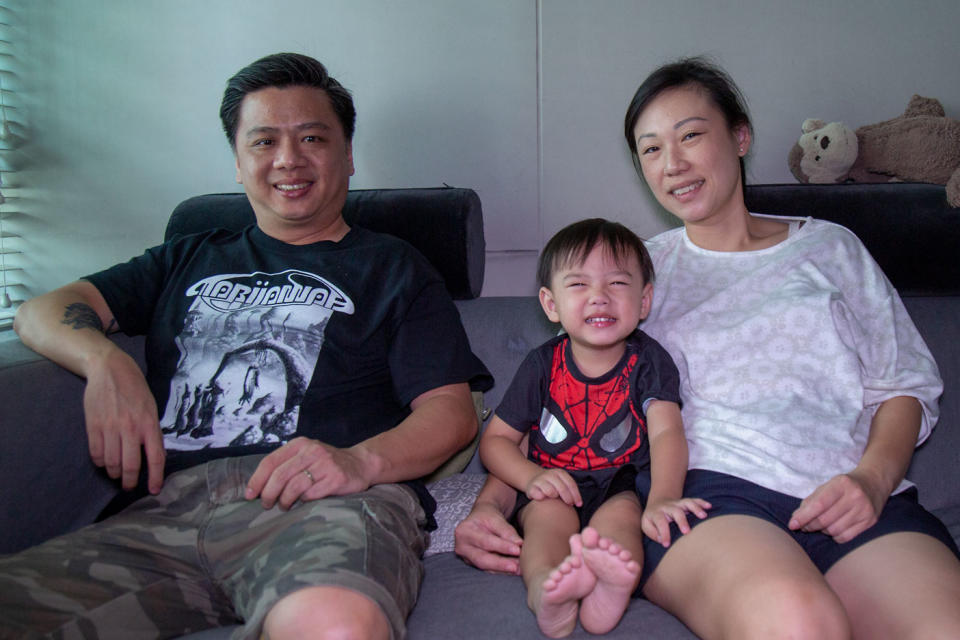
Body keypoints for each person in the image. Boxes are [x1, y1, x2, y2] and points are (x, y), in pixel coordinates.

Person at [456, 56, 960, 639]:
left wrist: (872, 479)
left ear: (740, 137)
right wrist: (490, 507)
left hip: (849, 492)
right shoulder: (632, 275)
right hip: (705, 497)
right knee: (796, 624)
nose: (673, 165)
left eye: (691, 135)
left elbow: (903, 385)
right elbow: (560, 401)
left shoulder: (831, 247)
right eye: (650, 150)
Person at [1, 52, 491, 640]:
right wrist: (104, 362)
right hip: (161, 514)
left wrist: (358, 462)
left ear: (348, 155)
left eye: (312, 137)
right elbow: (40, 311)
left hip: (324, 504)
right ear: (238, 161)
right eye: (263, 142)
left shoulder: (393, 269)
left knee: (334, 626)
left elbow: (452, 413)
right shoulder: (187, 256)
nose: (289, 159)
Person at [478, 218, 708, 637]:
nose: (599, 298)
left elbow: (666, 433)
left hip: (620, 483)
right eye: (579, 285)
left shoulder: (649, 362)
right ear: (551, 304)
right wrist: (533, 477)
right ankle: (546, 590)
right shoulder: (540, 366)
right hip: (555, 481)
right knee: (546, 524)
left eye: (618, 284)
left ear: (644, 301)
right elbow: (495, 443)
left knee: (620, 525)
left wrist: (662, 498)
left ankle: (610, 587)